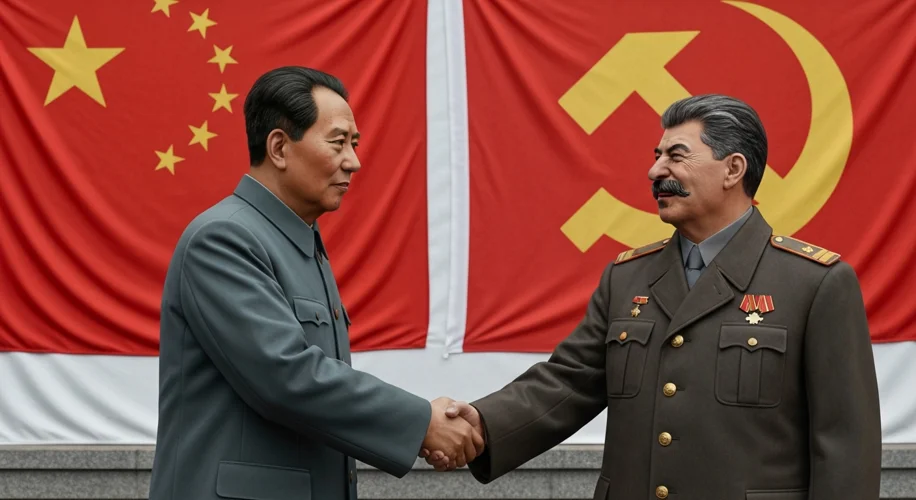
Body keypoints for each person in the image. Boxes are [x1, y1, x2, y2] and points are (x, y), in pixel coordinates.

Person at [424, 94, 882, 499]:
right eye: (657, 155)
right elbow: (567, 383)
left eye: (677, 156)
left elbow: (846, 446)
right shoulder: (627, 278)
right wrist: (481, 425)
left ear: (733, 169)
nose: (656, 170)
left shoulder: (814, 283)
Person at [148, 66, 482, 500]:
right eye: (338, 142)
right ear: (280, 148)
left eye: (354, 144)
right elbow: (286, 376)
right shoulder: (224, 239)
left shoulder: (298, 241)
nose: (354, 161)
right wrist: (422, 423)